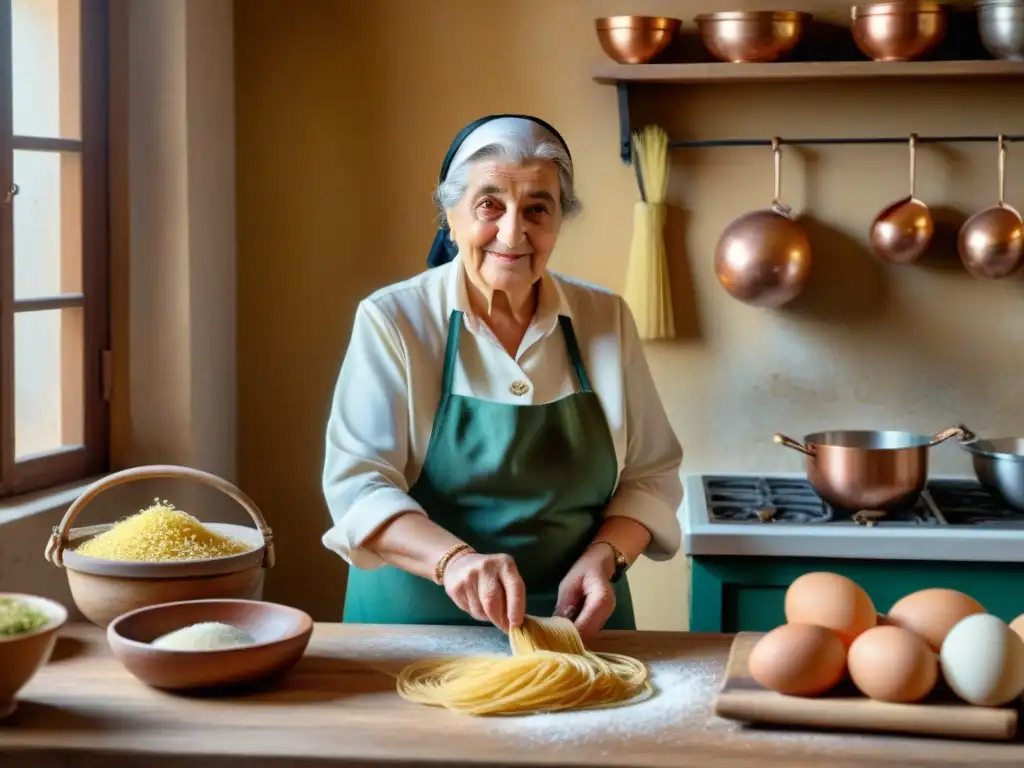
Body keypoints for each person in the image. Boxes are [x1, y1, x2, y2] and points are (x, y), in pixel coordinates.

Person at [321, 114, 683, 639]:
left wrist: (607, 558)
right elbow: (359, 486)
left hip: (576, 627)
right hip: (417, 626)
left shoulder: (605, 319)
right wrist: (456, 562)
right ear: (451, 214)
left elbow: (650, 474)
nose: (513, 233)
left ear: (560, 220)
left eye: (538, 208)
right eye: (489, 205)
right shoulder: (395, 320)